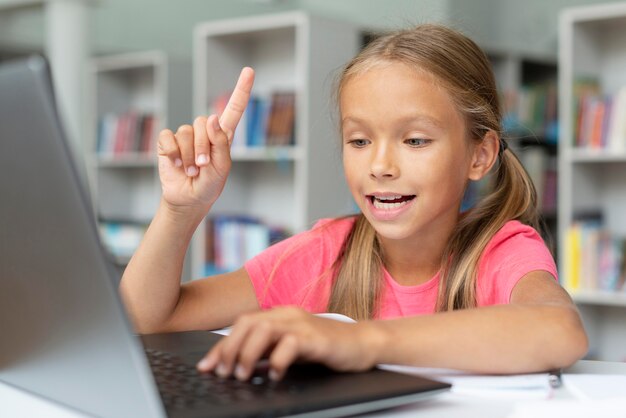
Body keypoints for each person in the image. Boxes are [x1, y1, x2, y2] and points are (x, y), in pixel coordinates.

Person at [119, 23, 588, 383]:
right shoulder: (324, 253)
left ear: (479, 155)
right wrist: (180, 212)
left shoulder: (502, 250)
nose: (380, 165)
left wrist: (360, 340)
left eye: (416, 140)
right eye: (359, 141)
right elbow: (146, 321)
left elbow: (560, 330)